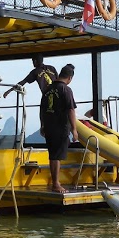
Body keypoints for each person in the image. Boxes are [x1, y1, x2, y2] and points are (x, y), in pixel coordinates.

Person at [41, 63, 80, 194]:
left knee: (53, 154)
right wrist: (74, 129)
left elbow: (42, 109)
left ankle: (55, 182)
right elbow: (70, 109)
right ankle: (56, 184)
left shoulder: (47, 89)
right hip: (60, 126)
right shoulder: (66, 90)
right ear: (70, 78)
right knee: (56, 156)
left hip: (49, 125)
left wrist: (42, 125)